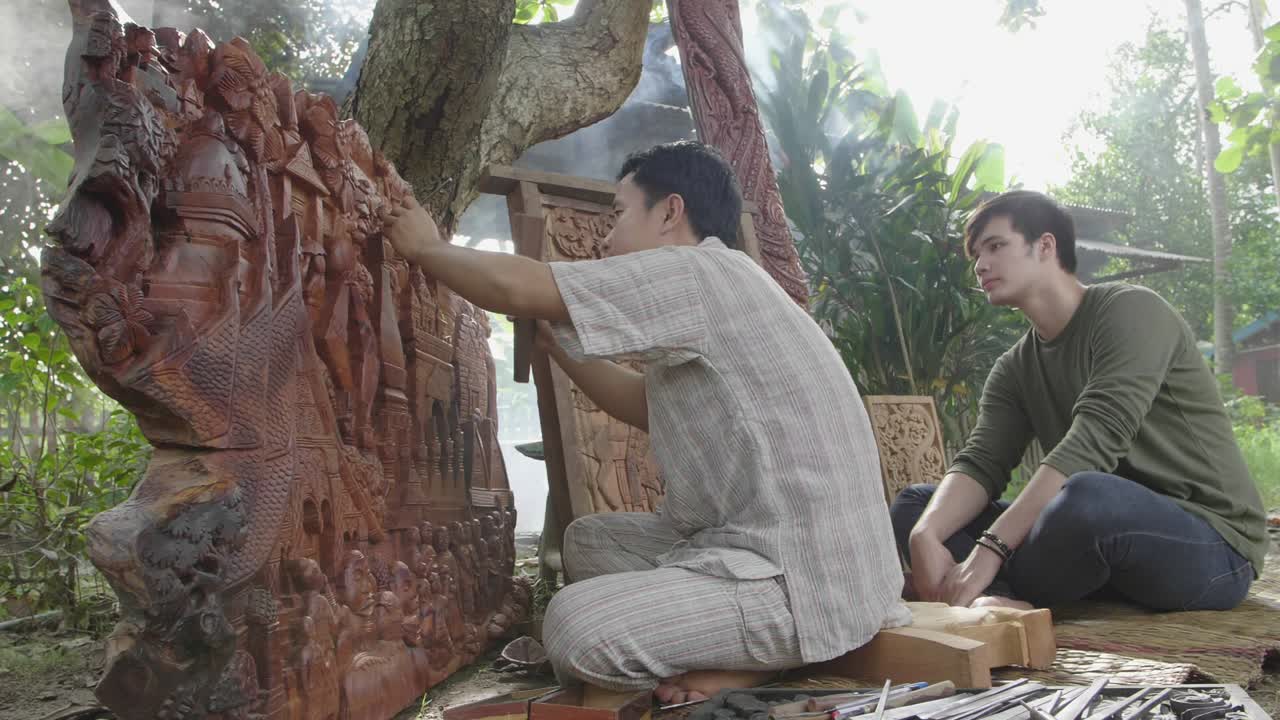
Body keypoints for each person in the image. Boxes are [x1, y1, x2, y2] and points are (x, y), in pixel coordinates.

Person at [380, 141, 908, 704]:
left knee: (573, 625)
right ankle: (744, 653)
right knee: (587, 542)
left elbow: (517, 284)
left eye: (619, 215)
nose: (606, 237)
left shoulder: (695, 271)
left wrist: (428, 248)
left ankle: (766, 664)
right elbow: (641, 404)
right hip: (800, 558)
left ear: (670, 213)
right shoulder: (726, 283)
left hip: (802, 580)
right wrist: (559, 349)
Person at [890, 190, 1266, 613]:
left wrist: (987, 550)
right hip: (1098, 543)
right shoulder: (1014, 368)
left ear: (1045, 246)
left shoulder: (1132, 311)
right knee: (917, 504)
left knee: (1087, 498)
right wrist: (924, 534)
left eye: (996, 246)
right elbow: (981, 462)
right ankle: (1004, 603)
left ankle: (998, 591)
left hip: (1211, 545)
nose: (980, 265)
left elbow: (1095, 440)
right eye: (976, 254)